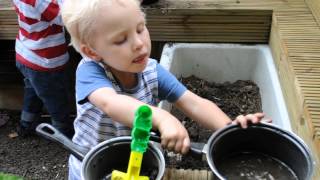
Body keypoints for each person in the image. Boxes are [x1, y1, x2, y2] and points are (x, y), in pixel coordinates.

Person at [61, 0, 271, 179]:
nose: (138, 43)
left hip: (141, 162)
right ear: (92, 51)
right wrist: (161, 117)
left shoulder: (151, 71)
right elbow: (111, 103)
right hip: (94, 167)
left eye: (140, 28)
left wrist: (230, 130)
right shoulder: (90, 72)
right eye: (121, 39)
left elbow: (194, 103)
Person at [13, 0, 74, 138]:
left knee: (33, 93)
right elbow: (67, 18)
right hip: (44, 61)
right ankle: (63, 135)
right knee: (57, 101)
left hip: (26, 52)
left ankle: (26, 125)